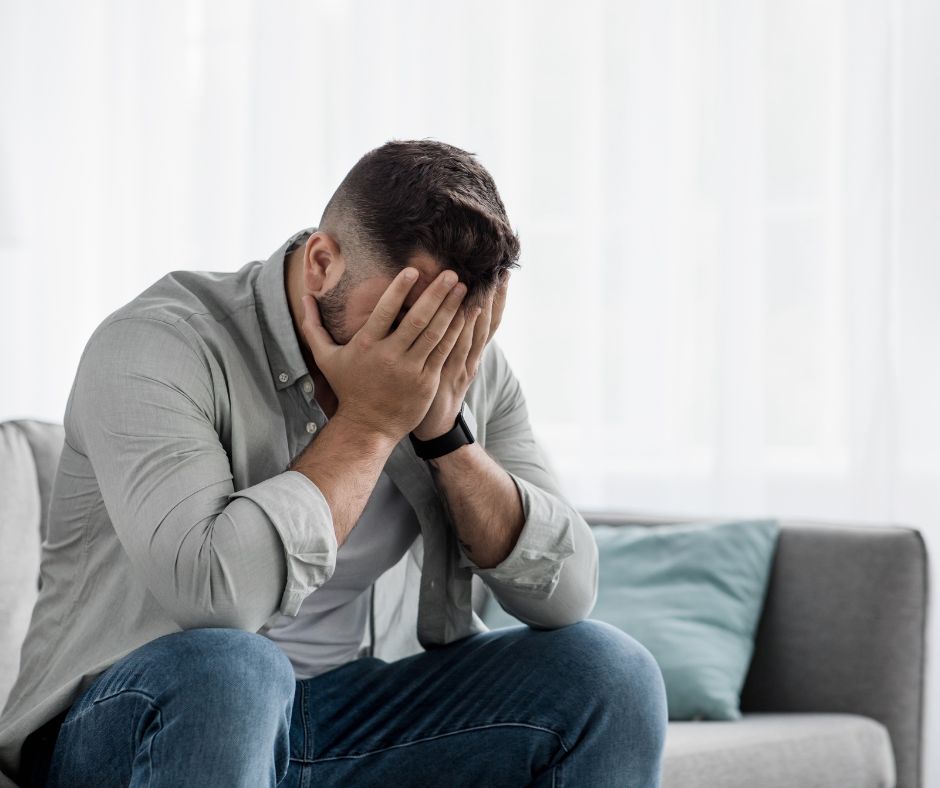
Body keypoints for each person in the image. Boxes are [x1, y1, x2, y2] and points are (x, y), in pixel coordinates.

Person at [0, 139, 668, 787]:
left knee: (610, 673)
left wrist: (442, 434)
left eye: (453, 320)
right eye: (408, 315)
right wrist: (372, 424)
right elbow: (215, 596)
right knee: (236, 671)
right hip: (142, 717)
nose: (427, 346)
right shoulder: (159, 345)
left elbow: (569, 590)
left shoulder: (462, 362)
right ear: (323, 263)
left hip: (350, 714)